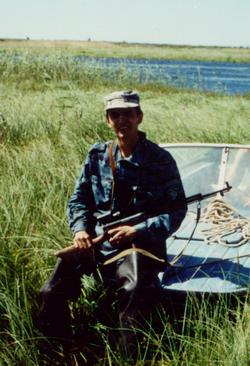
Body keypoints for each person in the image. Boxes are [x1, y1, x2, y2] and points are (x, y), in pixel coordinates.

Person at [37, 90, 187, 356]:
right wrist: (81, 229)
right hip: (97, 242)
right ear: (107, 120)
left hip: (138, 245)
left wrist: (137, 230)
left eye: (127, 114)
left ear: (139, 117)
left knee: (135, 287)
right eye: (114, 115)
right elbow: (78, 199)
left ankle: (125, 356)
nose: (121, 120)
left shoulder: (160, 160)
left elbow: (176, 211)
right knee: (50, 291)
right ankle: (57, 350)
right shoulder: (96, 156)